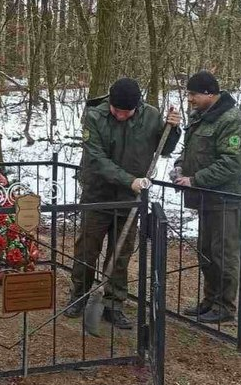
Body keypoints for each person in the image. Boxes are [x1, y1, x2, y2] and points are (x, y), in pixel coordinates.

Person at [67, 78, 181, 328]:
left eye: (125, 112)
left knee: (121, 253)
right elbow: (96, 159)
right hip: (98, 195)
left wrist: (172, 129)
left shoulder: (150, 116)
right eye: (116, 110)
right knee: (87, 248)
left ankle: (113, 303)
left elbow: (164, 149)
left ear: (137, 106)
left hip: (130, 199)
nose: (119, 115)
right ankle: (79, 295)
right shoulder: (94, 116)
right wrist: (130, 181)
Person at [172, 71, 241, 324]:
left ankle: (225, 306)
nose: (189, 99)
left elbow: (232, 163)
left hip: (225, 199)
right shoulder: (201, 116)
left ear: (209, 93)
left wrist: (196, 180)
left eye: (193, 94)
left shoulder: (232, 120)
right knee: (207, 252)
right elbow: (191, 150)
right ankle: (210, 300)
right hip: (206, 198)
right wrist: (179, 167)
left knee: (223, 254)